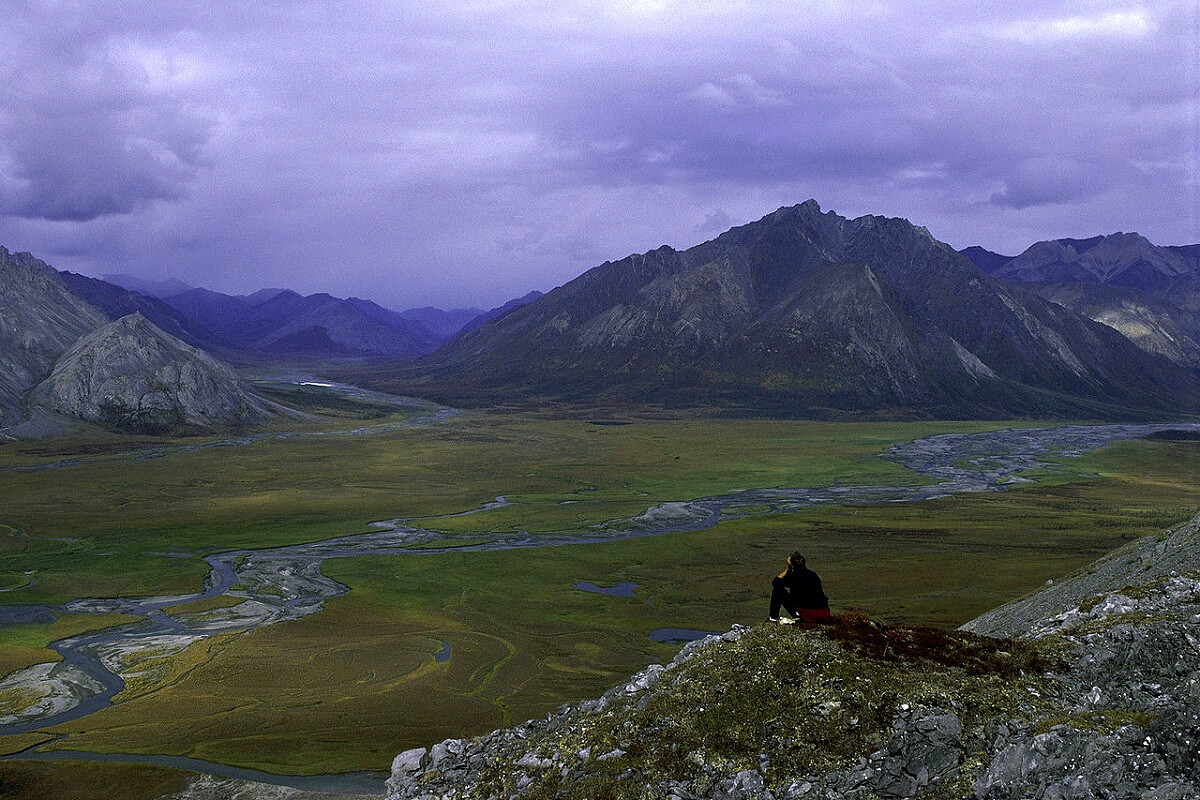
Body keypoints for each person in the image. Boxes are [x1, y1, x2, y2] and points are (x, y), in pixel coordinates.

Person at [769, 551, 831, 624]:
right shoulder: (813, 574)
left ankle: (773, 618)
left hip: (808, 613)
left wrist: (786, 571)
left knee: (777, 592)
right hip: (823, 612)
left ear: (792, 566)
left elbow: (775, 583)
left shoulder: (793, 576)